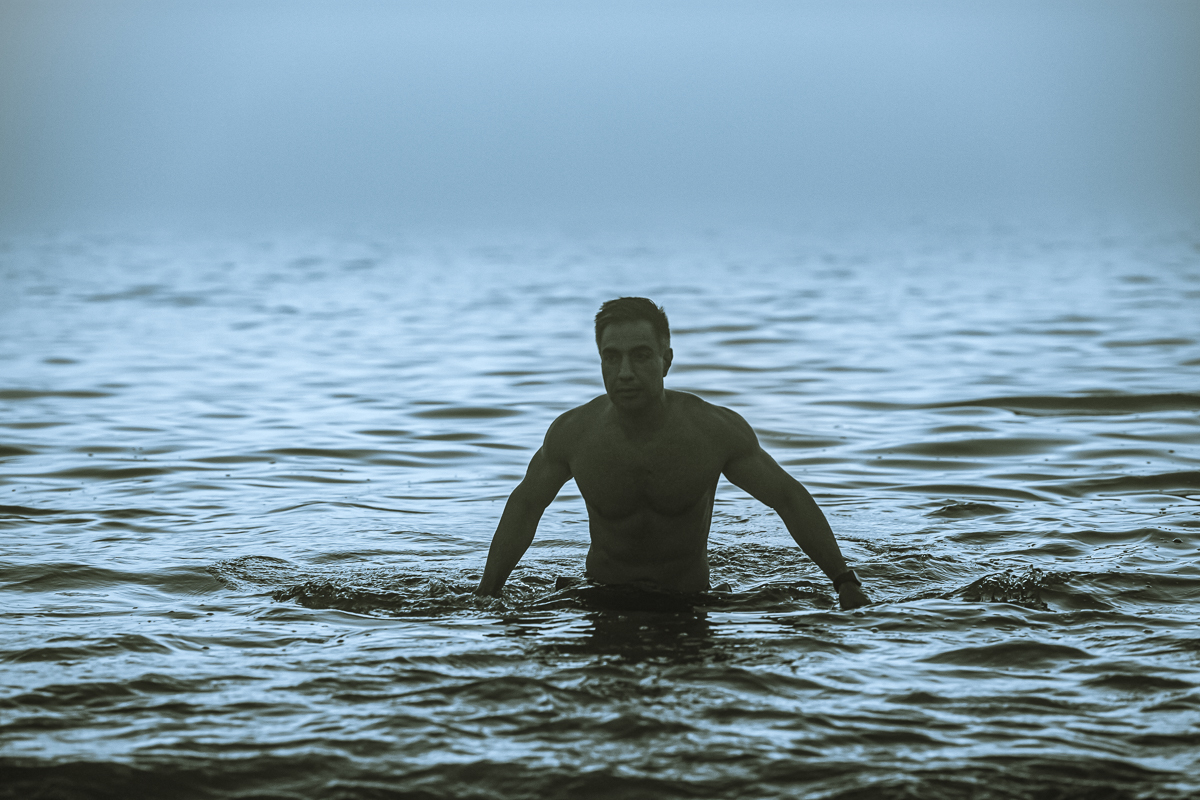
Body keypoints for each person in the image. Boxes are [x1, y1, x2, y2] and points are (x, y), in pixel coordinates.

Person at [476, 297, 871, 610]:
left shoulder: (712, 431)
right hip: (602, 599)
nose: (625, 372)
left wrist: (844, 581)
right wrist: (486, 594)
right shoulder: (574, 434)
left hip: (689, 602)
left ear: (665, 360)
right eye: (612, 357)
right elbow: (525, 506)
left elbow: (787, 497)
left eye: (641, 355)